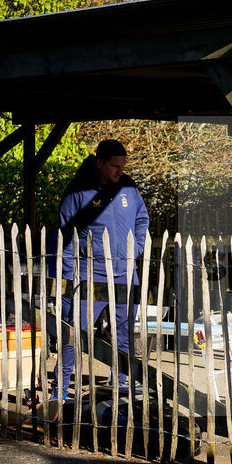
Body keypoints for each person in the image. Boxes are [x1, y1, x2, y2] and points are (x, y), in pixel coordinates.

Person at [56, 139, 149, 399]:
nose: (120, 171)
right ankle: (60, 389)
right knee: (75, 333)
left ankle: (120, 384)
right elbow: (65, 235)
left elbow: (142, 217)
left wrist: (137, 248)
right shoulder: (77, 192)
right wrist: (66, 278)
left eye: (123, 166)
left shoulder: (129, 188)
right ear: (100, 163)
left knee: (124, 332)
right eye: (114, 166)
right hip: (91, 272)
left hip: (125, 271)